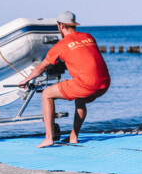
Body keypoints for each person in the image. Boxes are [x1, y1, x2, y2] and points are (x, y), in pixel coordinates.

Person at [18, 11, 110, 148]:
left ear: (60, 25)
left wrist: (25, 80)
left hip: (87, 84)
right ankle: (73, 136)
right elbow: (85, 58)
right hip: (104, 82)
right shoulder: (88, 37)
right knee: (80, 98)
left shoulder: (61, 45)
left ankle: (49, 138)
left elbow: (40, 69)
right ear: (73, 24)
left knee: (47, 94)